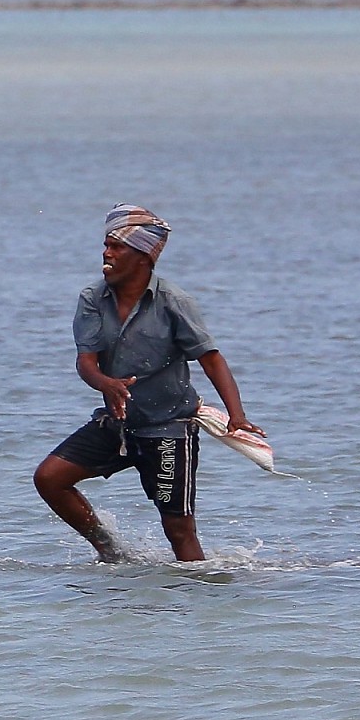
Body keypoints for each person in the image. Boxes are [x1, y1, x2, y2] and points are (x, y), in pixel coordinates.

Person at [32, 205, 261, 563]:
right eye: (105, 246)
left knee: (178, 530)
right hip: (118, 424)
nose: (106, 254)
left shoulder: (173, 302)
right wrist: (106, 383)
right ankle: (110, 550)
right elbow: (85, 362)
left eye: (116, 247)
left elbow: (211, 357)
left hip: (168, 429)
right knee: (50, 478)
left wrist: (237, 415)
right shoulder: (93, 298)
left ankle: (197, 603)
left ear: (142, 258)